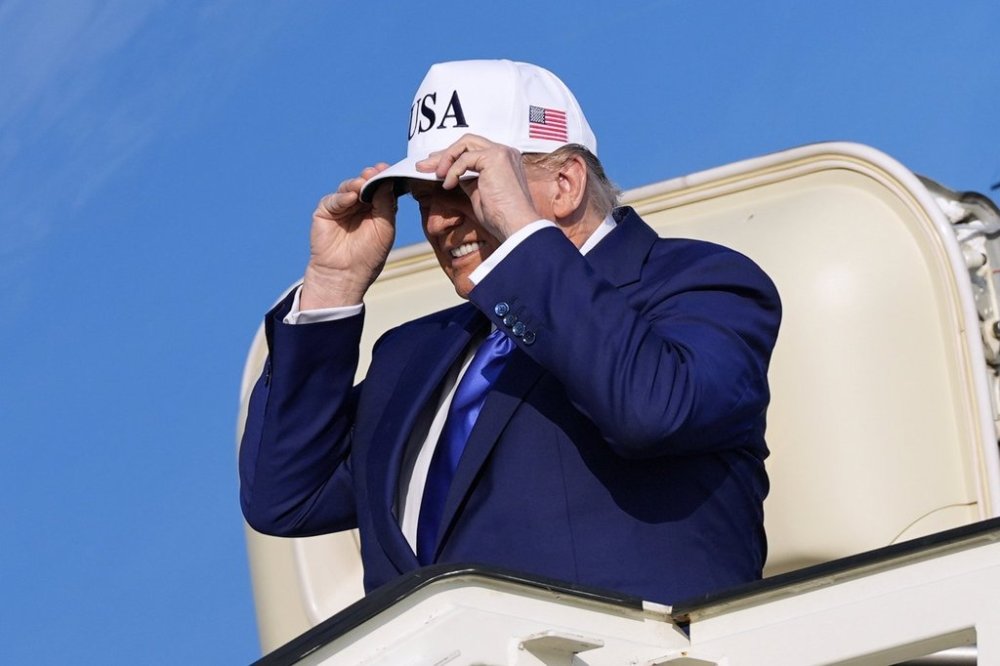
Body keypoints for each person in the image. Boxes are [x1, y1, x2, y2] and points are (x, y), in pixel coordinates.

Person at [239, 59, 781, 604]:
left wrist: (521, 232)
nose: (437, 222)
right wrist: (332, 284)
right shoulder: (411, 355)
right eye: (424, 201)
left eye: (466, 186)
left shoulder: (701, 283)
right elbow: (283, 497)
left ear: (565, 184)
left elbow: (650, 410)